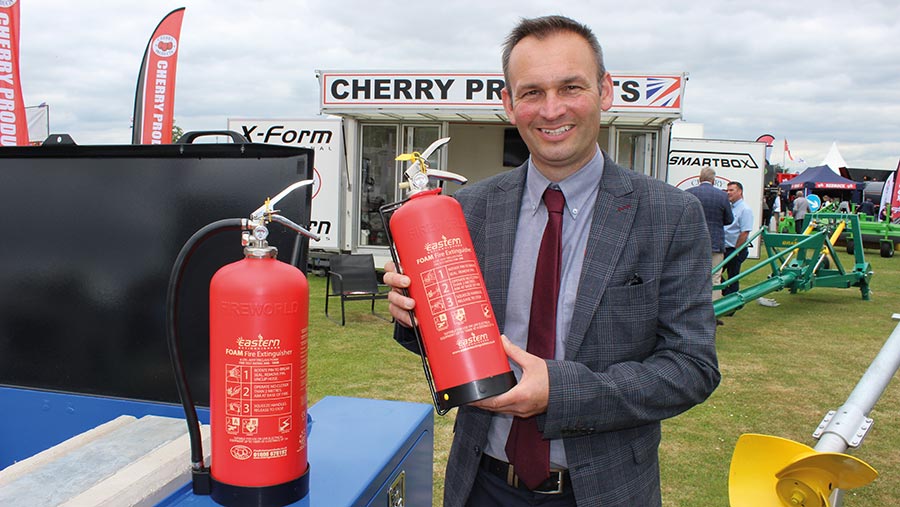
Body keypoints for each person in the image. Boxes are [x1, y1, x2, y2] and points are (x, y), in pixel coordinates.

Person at [383, 15, 720, 507]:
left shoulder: (668, 214)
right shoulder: (465, 211)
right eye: (532, 92)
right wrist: (415, 318)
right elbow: (456, 347)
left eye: (571, 87)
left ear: (605, 91)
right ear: (509, 103)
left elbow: (691, 368)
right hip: (482, 485)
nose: (552, 109)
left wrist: (562, 392)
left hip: (604, 492)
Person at [685, 166, 733, 304]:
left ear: (699, 178)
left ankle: (691, 305)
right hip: (715, 242)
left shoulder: (689, 193)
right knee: (715, 276)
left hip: (694, 242)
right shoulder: (722, 196)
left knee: (693, 275)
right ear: (713, 180)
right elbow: (729, 219)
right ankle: (714, 309)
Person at [722, 181, 754, 297]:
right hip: (725, 248)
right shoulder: (729, 207)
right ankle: (727, 295)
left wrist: (736, 251)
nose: (728, 193)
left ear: (740, 192)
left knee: (733, 278)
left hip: (735, 250)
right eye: (727, 190)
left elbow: (744, 232)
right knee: (714, 274)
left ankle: (732, 305)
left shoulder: (745, 209)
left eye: (731, 190)